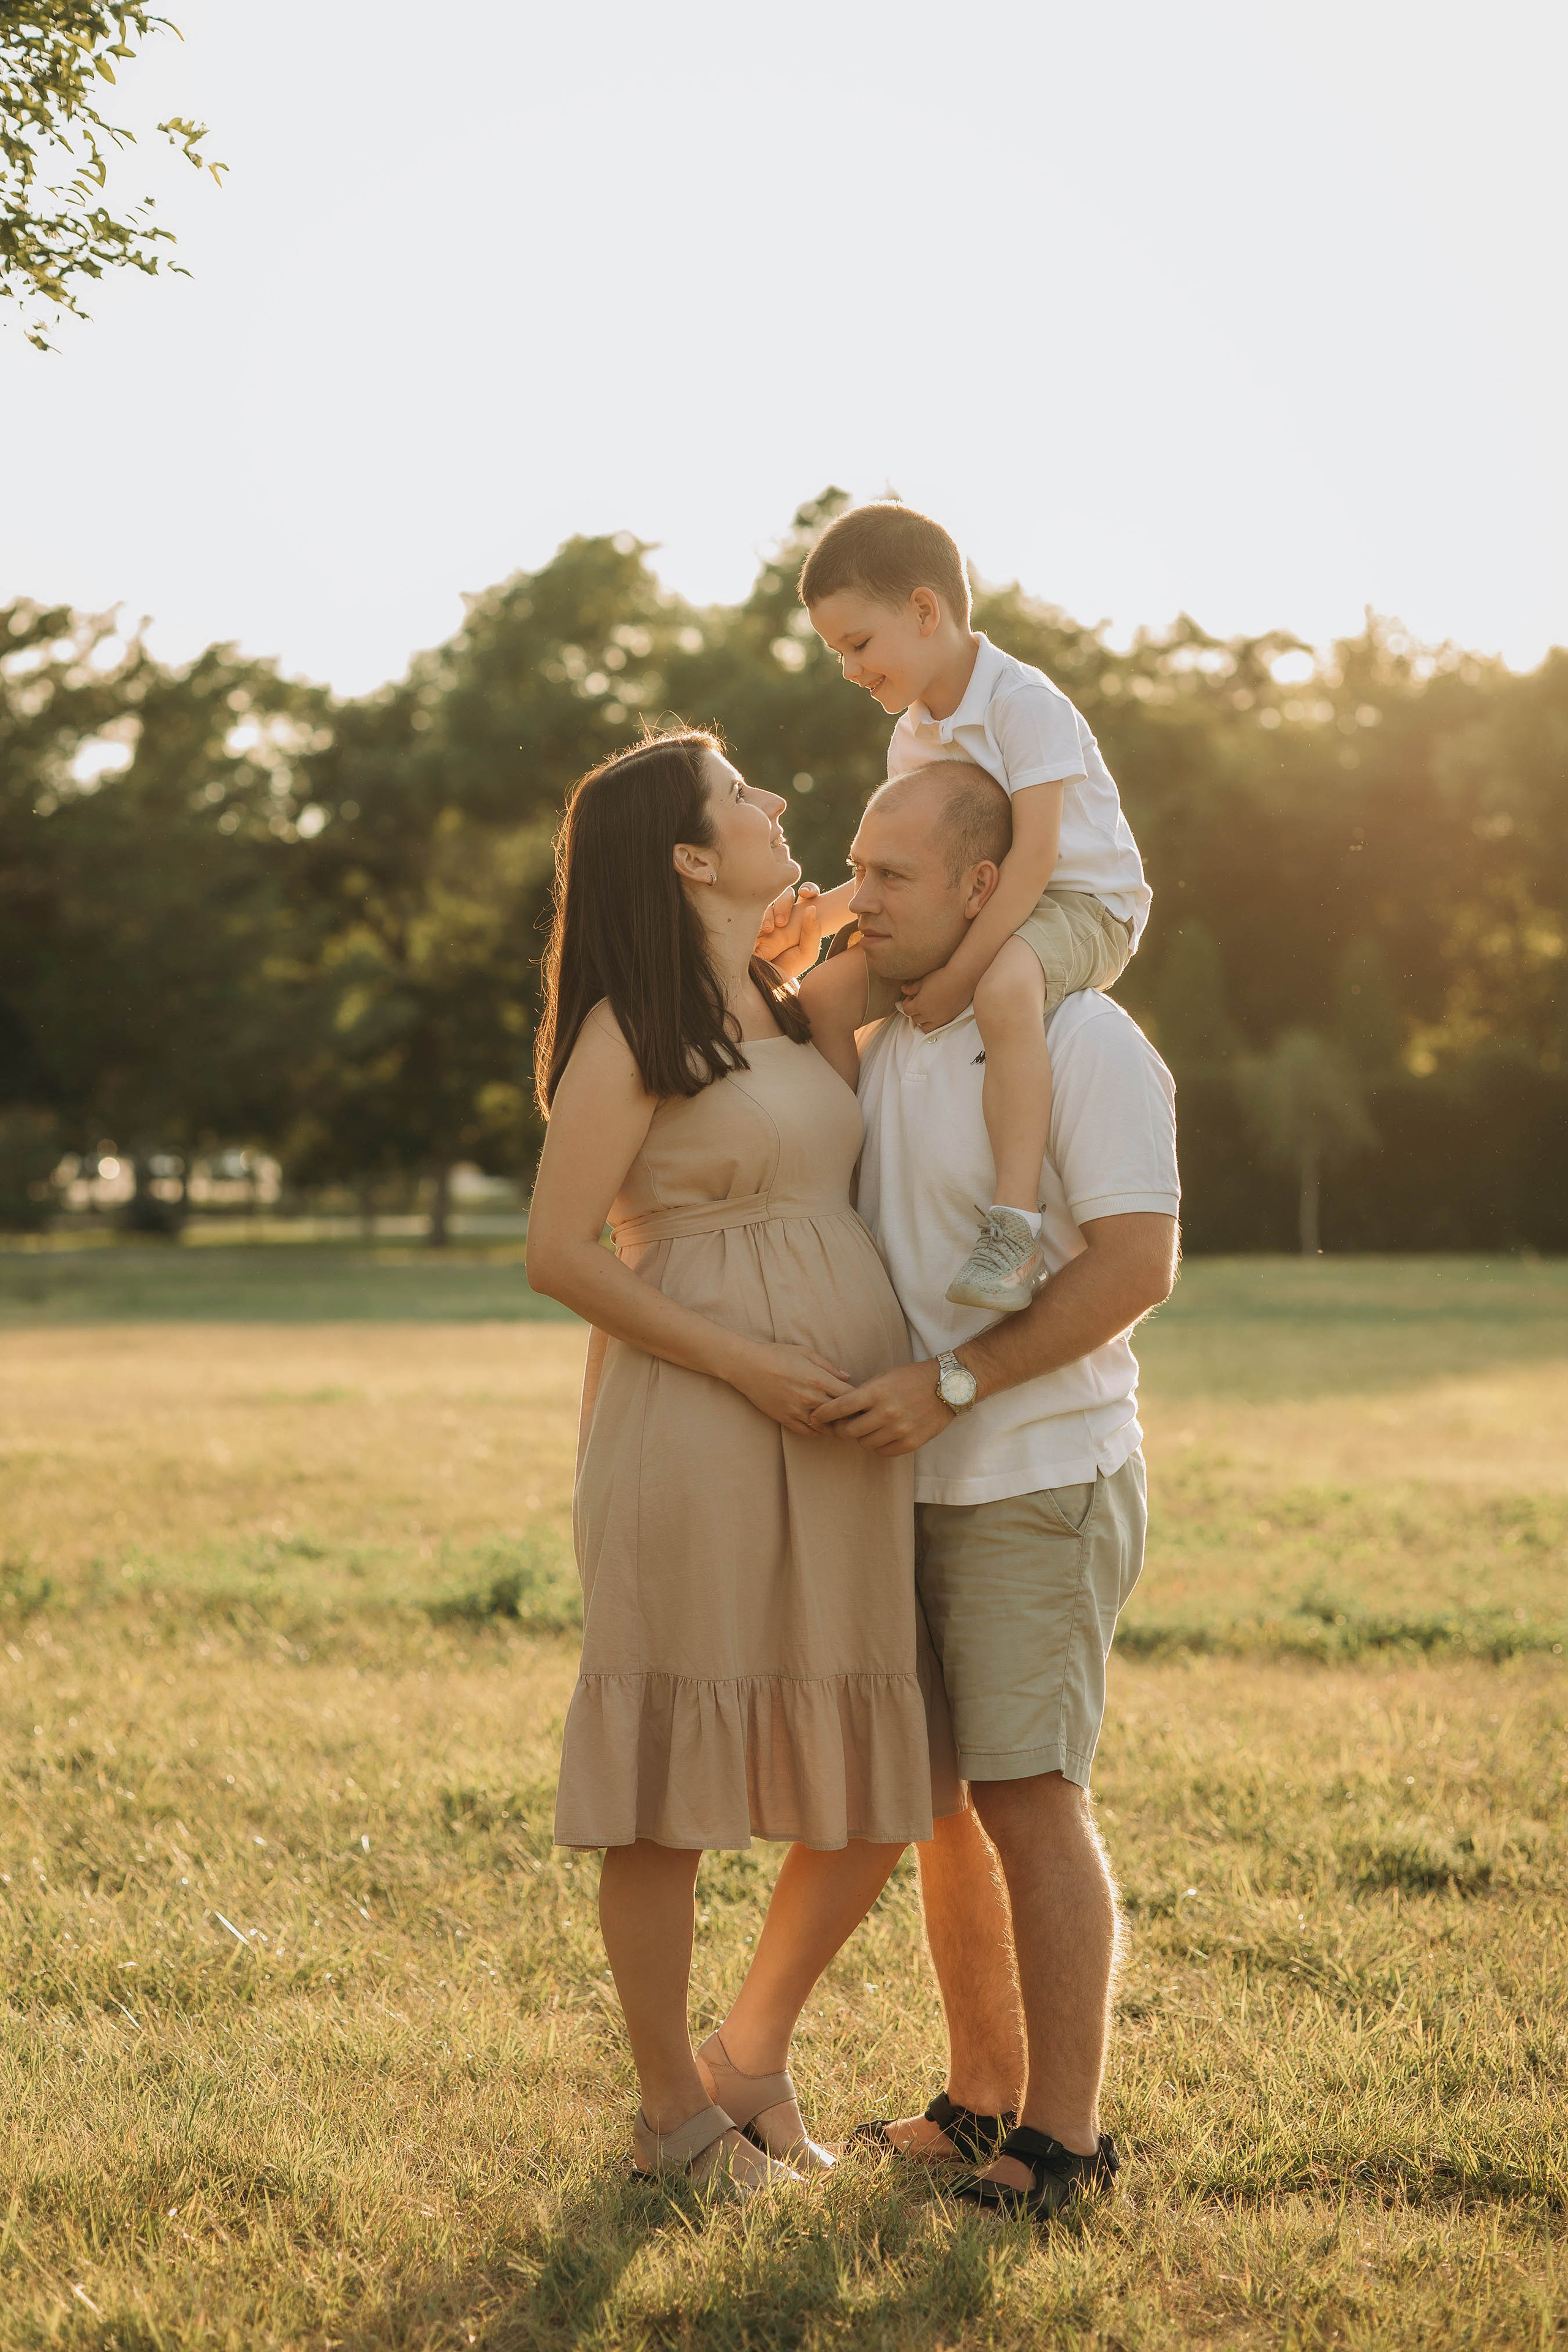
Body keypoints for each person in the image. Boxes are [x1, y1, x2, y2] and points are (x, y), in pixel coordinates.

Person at [525, 729, 957, 2199]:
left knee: (890, 1774)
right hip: (698, 1429)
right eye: (740, 798)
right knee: (669, 1783)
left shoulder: (795, 1003)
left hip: (840, 1436)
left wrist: (821, 910)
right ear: (687, 859)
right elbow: (554, 1252)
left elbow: (961, 888)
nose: (777, 802)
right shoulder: (627, 1031)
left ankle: (749, 2061)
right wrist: (744, 1362)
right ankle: (673, 2118)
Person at [785, 758, 1178, 2223]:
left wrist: (952, 1383)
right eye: (850, 867)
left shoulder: (1082, 1038)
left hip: (1035, 1470)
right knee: (942, 1804)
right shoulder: (885, 1035)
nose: (857, 897)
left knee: (1025, 1795)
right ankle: (976, 2097)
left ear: (978, 889)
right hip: (905, 1483)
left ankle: (1065, 2141)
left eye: (887, 878)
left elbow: (1134, 1267)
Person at [777, 501, 1151, 1320]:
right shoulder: (915, 734)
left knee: (1006, 988)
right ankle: (839, 1208)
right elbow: (905, 868)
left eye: (858, 644)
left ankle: (1011, 1228)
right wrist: (814, 921)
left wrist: (956, 977)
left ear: (924, 610)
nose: (849, 669)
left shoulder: (1026, 704)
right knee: (827, 996)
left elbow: (1038, 861)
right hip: (980, 902)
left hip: (1079, 906)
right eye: (838, 651)